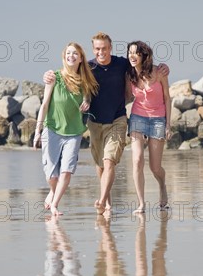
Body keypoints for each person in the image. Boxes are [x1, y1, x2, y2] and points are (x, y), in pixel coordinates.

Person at [44, 32, 169, 215]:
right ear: (93, 49)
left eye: (104, 48)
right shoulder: (88, 67)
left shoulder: (121, 63)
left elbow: (141, 64)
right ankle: (107, 202)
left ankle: (101, 201)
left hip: (118, 120)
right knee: (101, 165)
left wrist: (162, 67)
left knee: (109, 161)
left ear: (110, 48)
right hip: (95, 122)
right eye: (97, 49)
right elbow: (67, 72)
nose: (101, 52)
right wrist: (49, 75)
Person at [33, 42, 98, 216]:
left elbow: (87, 97)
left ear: (81, 58)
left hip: (74, 131)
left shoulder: (85, 80)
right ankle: (53, 191)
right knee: (52, 176)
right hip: (52, 129)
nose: (71, 56)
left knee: (67, 170)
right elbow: (45, 104)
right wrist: (37, 132)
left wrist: (87, 101)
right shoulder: (53, 77)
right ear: (64, 56)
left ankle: (54, 204)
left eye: (75, 53)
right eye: (68, 53)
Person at [126, 41, 171, 213]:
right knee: (137, 160)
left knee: (155, 167)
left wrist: (168, 124)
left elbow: (167, 98)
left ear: (144, 55)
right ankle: (141, 203)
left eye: (135, 53)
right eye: (129, 52)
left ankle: (162, 186)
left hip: (158, 119)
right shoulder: (129, 74)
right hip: (138, 117)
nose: (131, 56)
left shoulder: (159, 72)